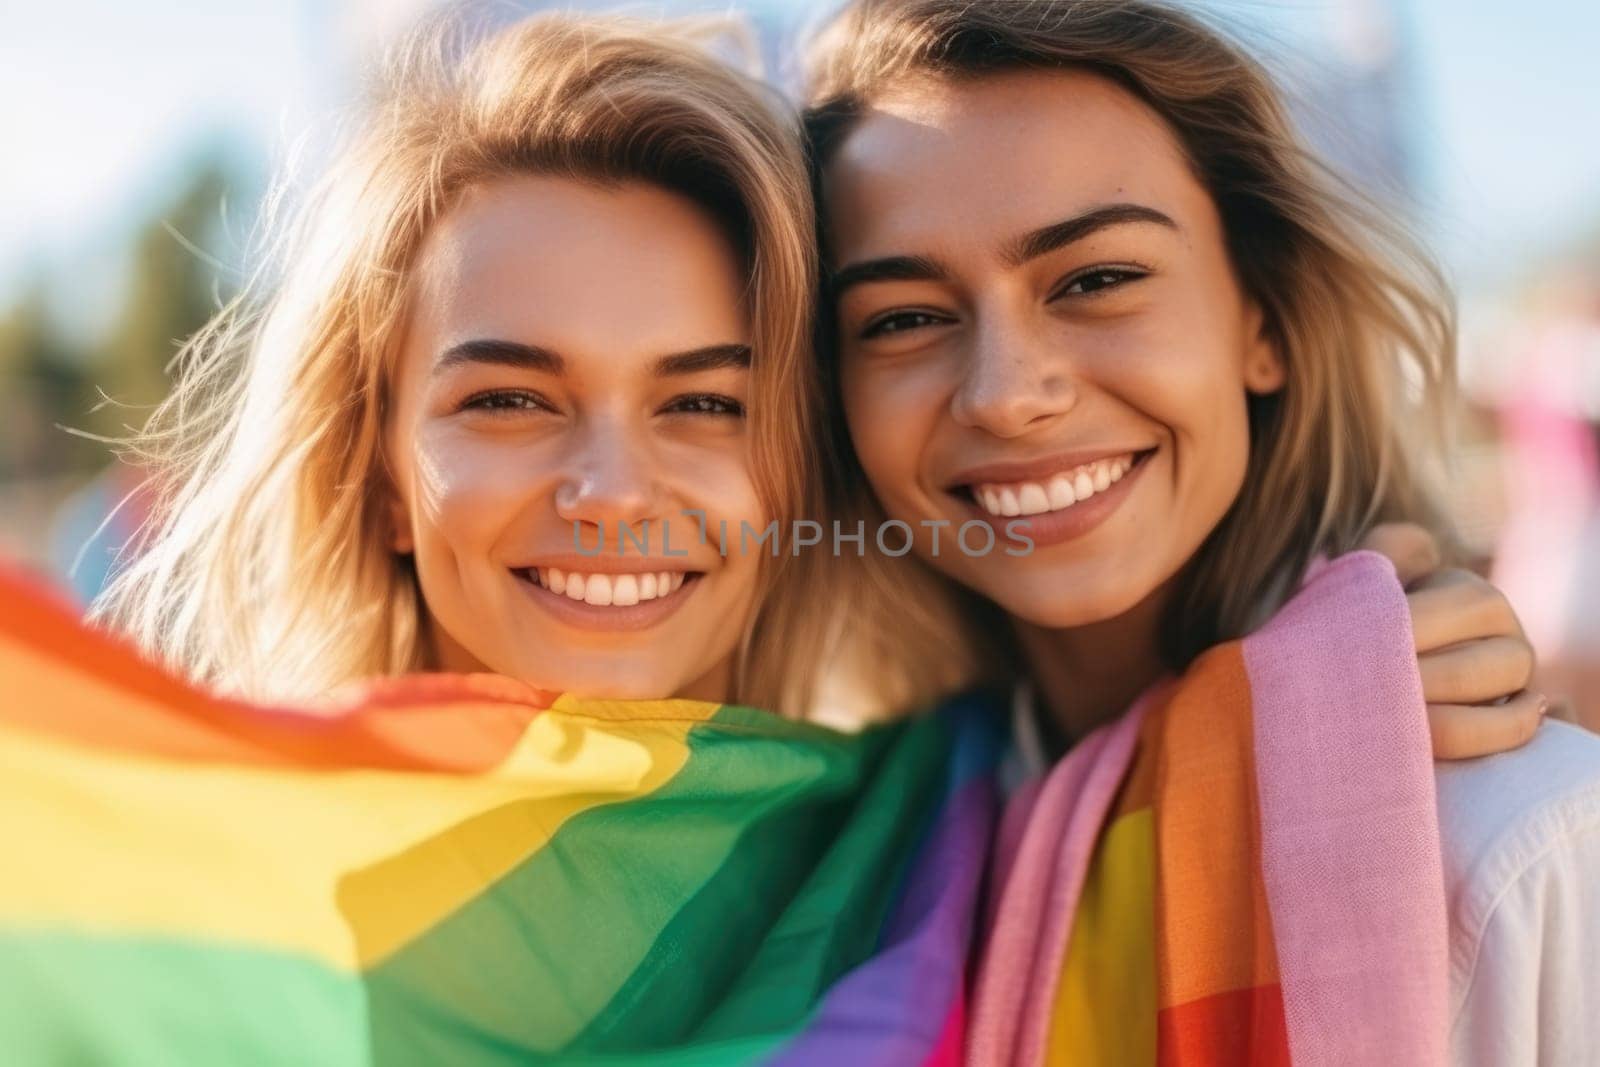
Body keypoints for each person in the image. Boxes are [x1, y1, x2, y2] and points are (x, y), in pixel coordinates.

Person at [803, 0, 1600, 1062]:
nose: (1004, 394)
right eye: (901, 318)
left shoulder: (1515, 836)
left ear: (1258, 321)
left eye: (1096, 280)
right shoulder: (863, 877)